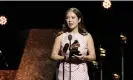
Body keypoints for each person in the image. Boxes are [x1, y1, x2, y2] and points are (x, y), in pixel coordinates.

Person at [51, 7, 96, 80]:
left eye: (73, 17)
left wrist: (84, 57)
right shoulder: (61, 36)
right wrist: (65, 58)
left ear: (79, 20)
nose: (70, 20)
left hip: (81, 74)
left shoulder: (87, 36)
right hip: (64, 74)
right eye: (67, 18)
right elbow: (53, 55)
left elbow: (93, 56)